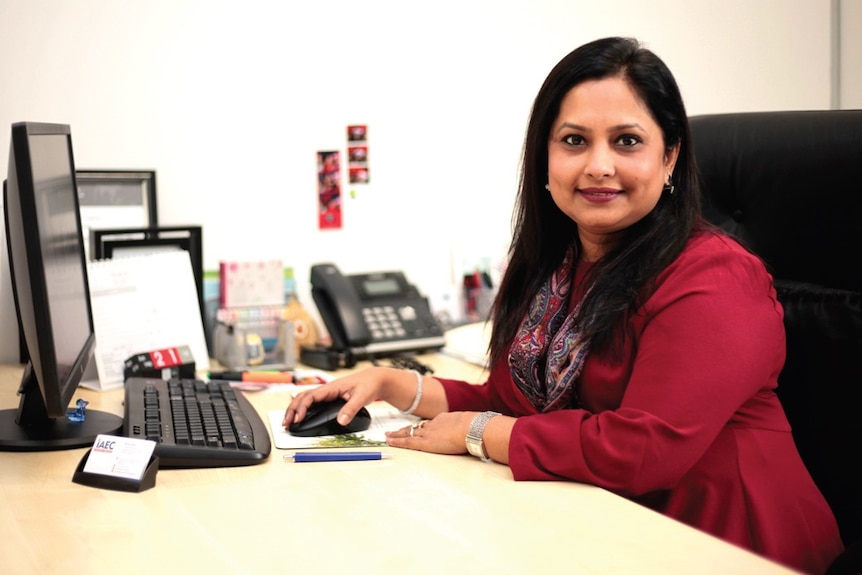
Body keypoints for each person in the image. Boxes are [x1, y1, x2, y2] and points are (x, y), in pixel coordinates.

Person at [284, 37, 843, 574]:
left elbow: (642, 447)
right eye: (574, 141)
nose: (598, 166)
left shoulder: (715, 276)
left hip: (725, 546)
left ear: (669, 158)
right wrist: (389, 383)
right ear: (545, 157)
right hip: (600, 530)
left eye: (627, 141)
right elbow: (512, 402)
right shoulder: (552, 267)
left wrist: (478, 433)